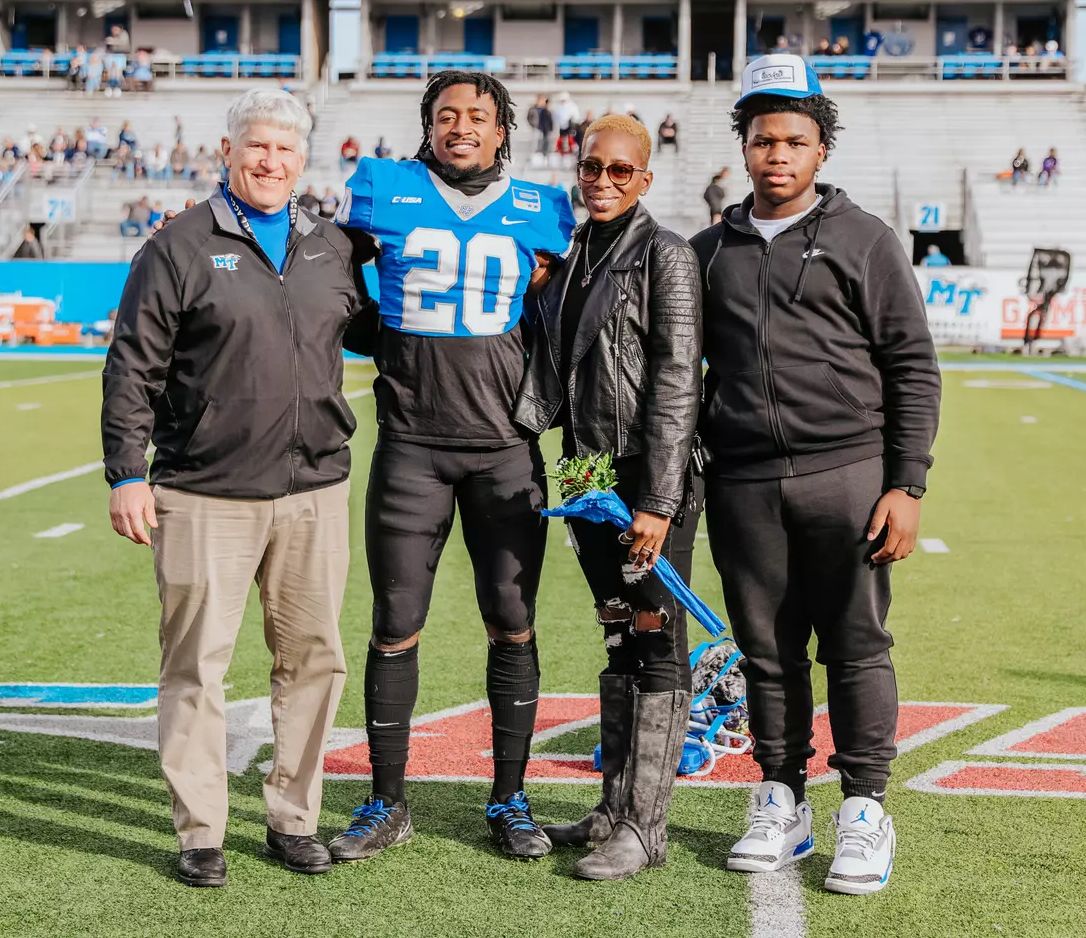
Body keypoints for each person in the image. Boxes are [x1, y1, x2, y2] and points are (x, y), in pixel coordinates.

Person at [103, 87, 378, 887]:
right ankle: (200, 831)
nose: (271, 161)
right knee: (197, 665)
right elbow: (133, 368)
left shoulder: (330, 247)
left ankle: (294, 818)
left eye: (287, 149)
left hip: (314, 489)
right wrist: (127, 470)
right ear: (228, 151)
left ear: (304, 160)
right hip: (205, 491)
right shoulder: (179, 245)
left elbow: (382, 332)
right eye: (257, 146)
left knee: (314, 660)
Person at [689, 55, 939, 893]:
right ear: (745, 149)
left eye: (795, 140)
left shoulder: (864, 239)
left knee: (857, 646)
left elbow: (912, 365)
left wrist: (906, 485)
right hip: (745, 483)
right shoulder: (706, 251)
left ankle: (865, 808)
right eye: (763, 140)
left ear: (821, 149)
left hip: (848, 473)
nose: (778, 155)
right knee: (766, 652)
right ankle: (780, 798)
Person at [330, 71, 574, 863]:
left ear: (505, 129)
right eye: (446, 115)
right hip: (412, 446)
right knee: (395, 626)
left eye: (477, 115)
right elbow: (332, 273)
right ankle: (386, 800)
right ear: (427, 125)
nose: (461, 126)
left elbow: (566, 317)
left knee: (512, 618)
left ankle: (508, 797)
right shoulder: (383, 186)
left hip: (506, 449)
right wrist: (375, 332)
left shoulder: (543, 208)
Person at [516, 114, 702, 881]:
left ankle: (645, 829)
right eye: (593, 166)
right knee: (618, 631)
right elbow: (563, 363)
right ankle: (613, 804)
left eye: (620, 171)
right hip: (587, 469)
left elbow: (675, 385)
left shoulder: (668, 255)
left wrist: (657, 505)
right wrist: (535, 295)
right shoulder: (569, 254)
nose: (602, 180)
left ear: (645, 179)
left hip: (644, 479)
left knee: (658, 636)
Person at [527, 94, 554, 166]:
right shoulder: (533, 109)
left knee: (545, 144)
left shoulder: (546, 110)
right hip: (537, 128)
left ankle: (544, 158)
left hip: (545, 130)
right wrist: (533, 124)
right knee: (535, 144)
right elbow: (529, 118)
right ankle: (534, 158)